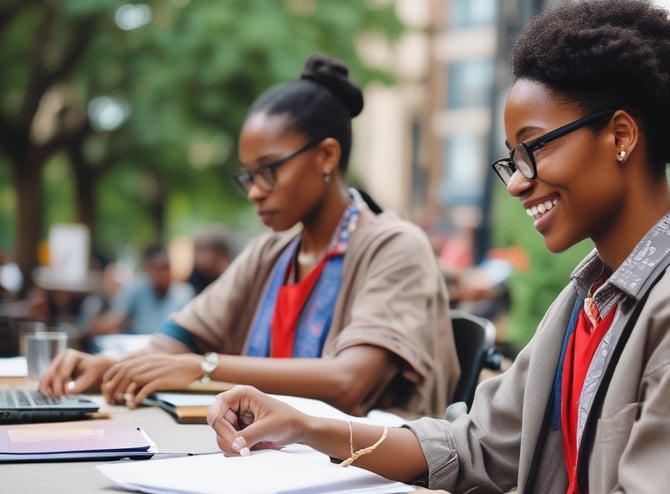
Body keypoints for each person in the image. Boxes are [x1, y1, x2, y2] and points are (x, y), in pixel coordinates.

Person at [205, 3, 670, 494]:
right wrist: (304, 426)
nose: (518, 182)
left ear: (620, 136)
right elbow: (471, 445)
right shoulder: (590, 297)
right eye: (512, 160)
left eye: (533, 149)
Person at [40, 53, 459, 419]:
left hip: (367, 472)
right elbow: (179, 341)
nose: (255, 191)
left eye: (269, 170)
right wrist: (111, 366)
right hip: (276, 460)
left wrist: (204, 368)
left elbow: (350, 381)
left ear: (326, 156)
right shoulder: (272, 253)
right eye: (249, 176)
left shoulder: (395, 246)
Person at [88, 244, 194, 336]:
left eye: (164, 268)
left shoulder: (184, 293)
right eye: (156, 269)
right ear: (148, 269)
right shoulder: (135, 289)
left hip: (172, 345)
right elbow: (116, 319)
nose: (161, 275)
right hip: (139, 344)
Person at [185, 227, 233, 295]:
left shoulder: (231, 274)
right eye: (196, 251)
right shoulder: (195, 275)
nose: (196, 256)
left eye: (201, 250)